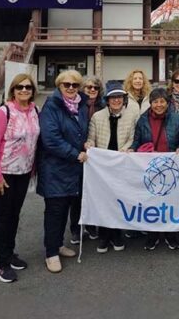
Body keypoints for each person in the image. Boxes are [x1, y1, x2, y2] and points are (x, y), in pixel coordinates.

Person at [0, 73, 41, 283]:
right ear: (13, 90)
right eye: (20, 87)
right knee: (2, 218)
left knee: (14, 215)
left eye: (28, 87)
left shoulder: (35, 111)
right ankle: (1, 264)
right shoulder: (4, 112)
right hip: (3, 173)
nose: (24, 90)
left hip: (23, 172)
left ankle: (10, 253)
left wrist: (34, 169)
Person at [37, 69, 89, 274]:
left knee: (66, 207)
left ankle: (58, 245)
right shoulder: (51, 106)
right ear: (59, 86)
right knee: (54, 211)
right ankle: (51, 253)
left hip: (73, 170)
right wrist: (75, 153)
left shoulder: (80, 106)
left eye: (74, 85)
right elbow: (51, 139)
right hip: (55, 168)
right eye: (66, 84)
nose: (70, 88)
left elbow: (80, 131)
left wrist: (86, 142)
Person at [131, 87, 179, 251]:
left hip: (170, 165)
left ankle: (170, 234)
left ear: (167, 103)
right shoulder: (142, 120)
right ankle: (152, 234)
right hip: (151, 167)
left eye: (162, 101)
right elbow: (137, 140)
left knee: (170, 202)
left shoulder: (177, 119)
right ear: (151, 103)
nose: (159, 105)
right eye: (155, 102)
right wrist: (132, 150)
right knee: (151, 201)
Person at [85, 88, 136, 252]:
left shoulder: (131, 116)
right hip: (102, 166)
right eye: (112, 98)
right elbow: (91, 137)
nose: (116, 101)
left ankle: (117, 234)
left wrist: (126, 149)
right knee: (103, 200)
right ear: (107, 100)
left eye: (119, 97)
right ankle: (104, 235)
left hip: (121, 163)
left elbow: (132, 139)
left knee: (119, 200)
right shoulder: (97, 116)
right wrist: (89, 145)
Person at [72, 75, 105, 243]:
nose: (92, 90)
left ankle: (92, 225)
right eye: (88, 87)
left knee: (94, 193)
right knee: (77, 193)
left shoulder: (103, 106)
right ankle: (76, 228)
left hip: (97, 156)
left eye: (95, 88)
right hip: (79, 154)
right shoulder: (76, 106)